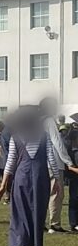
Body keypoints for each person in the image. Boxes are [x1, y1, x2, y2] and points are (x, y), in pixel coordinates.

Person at [0, 106, 62, 246]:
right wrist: (58, 180)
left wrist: (4, 185)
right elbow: (51, 159)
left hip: (21, 178)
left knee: (20, 214)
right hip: (40, 178)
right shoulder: (44, 136)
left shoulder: (15, 137)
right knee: (38, 214)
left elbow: (10, 163)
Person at [38, 99, 74, 234]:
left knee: (43, 194)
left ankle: (41, 222)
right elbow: (57, 141)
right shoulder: (49, 121)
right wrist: (68, 161)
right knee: (56, 193)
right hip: (53, 162)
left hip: (40, 162)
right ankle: (55, 224)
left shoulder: (36, 121)